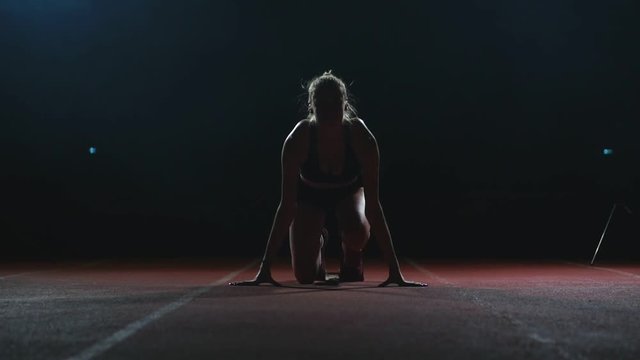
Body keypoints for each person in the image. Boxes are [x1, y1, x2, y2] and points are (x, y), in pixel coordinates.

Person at [230, 71, 426, 287]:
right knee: (305, 277)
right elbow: (286, 206)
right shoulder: (299, 138)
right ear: (311, 105)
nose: (329, 108)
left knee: (357, 233)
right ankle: (318, 245)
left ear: (345, 104)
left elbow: (373, 206)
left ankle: (351, 255)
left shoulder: (361, 137)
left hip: (349, 193)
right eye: (321, 102)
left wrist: (395, 272)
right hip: (310, 197)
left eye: (335, 101)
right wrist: (264, 270)